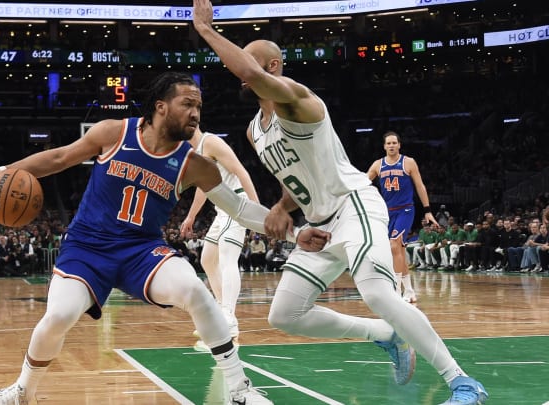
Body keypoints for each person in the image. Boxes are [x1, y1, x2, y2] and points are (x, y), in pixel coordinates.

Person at [192, 2, 488, 404]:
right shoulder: (252, 131)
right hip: (318, 224)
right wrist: (282, 207)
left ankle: (462, 382)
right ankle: (385, 335)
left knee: (379, 294)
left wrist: (205, 30)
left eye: (251, 58)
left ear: (273, 65)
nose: (242, 70)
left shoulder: (299, 99)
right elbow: (297, 179)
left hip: (354, 205)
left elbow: (247, 71)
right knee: (284, 314)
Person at [0, 72, 325, 405]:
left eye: (199, 106)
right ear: (160, 106)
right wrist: (6, 172)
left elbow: (239, 208)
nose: (195, 113)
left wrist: (295, 233)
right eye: (187, 104)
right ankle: (21, 392)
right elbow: (59, 158)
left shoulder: (194, 164)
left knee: (194, 288)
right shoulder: (113, 133)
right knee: (59, 316)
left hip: (141, 250)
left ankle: (239, 389)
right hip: (88, 247)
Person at [180, 127, 260, 351]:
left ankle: (229, 323)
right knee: (207, 260)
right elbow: (203, 189)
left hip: (236, 204)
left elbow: (242, 172)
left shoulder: (212, 142)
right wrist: (191, 216)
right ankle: (222, 314)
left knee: (227, 259)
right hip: (222, 209)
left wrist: (257, 209)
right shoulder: (197, 151)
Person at [367, 131, 438, 303]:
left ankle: (396, 290)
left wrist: (427, 210)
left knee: (394, 245)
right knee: (399, 250)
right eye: (388, 143)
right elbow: (363, 183)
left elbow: (420, 186)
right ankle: (410, 291)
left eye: (394, 143)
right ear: (384, 146)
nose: (391, 145)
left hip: (405, 210)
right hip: (387, 212)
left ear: (399, 145)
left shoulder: (408, 162)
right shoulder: (378, 165)